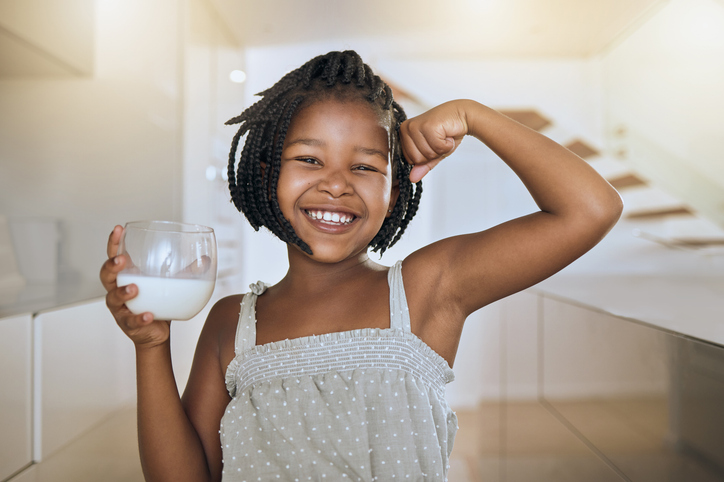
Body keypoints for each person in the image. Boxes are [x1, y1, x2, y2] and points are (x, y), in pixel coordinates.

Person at [100, 50, 622, 482]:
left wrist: (473, 115)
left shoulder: (426, 289)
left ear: (395, 188)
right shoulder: (231, 324)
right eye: (309, 159)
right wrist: (152, 346)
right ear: (266, 171)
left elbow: (591, 209)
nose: (336, 183)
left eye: (365, 166)